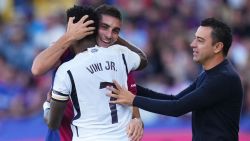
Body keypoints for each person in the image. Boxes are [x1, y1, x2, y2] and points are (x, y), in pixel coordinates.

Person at [107, 18, 244, 141]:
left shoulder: (223, 78)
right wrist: (133, 88)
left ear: (218, 47)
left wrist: (133, 99)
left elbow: (177, 108)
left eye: (200, 40)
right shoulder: (209, 74)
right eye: (195, 38)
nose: (192, 44)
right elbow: (174, 99)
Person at [33, 4, 145, 141]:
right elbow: (37, 68)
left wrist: (136, 118)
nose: (109, 35)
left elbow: (129, 92)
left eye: (115, 30)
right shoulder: (64, 50)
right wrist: (68, 37)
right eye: (104, 27)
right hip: (63, 134)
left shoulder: (116, 57)